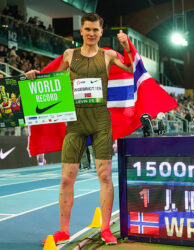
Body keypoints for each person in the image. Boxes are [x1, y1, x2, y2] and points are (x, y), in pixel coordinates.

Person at [26, 13, 134, 245]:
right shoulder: (69, 54)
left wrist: (127, 46)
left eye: (95, 30)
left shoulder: (108, 55)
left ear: (101, 32)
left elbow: (132, 68)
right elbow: (48, 77)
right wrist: (34, 76)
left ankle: (105, 228)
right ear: (81, 31)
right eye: (87, 29)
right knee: (67, 178)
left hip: (100, 121)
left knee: (104, 175)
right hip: (75, 123)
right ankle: (64, 230)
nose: (91, 33)